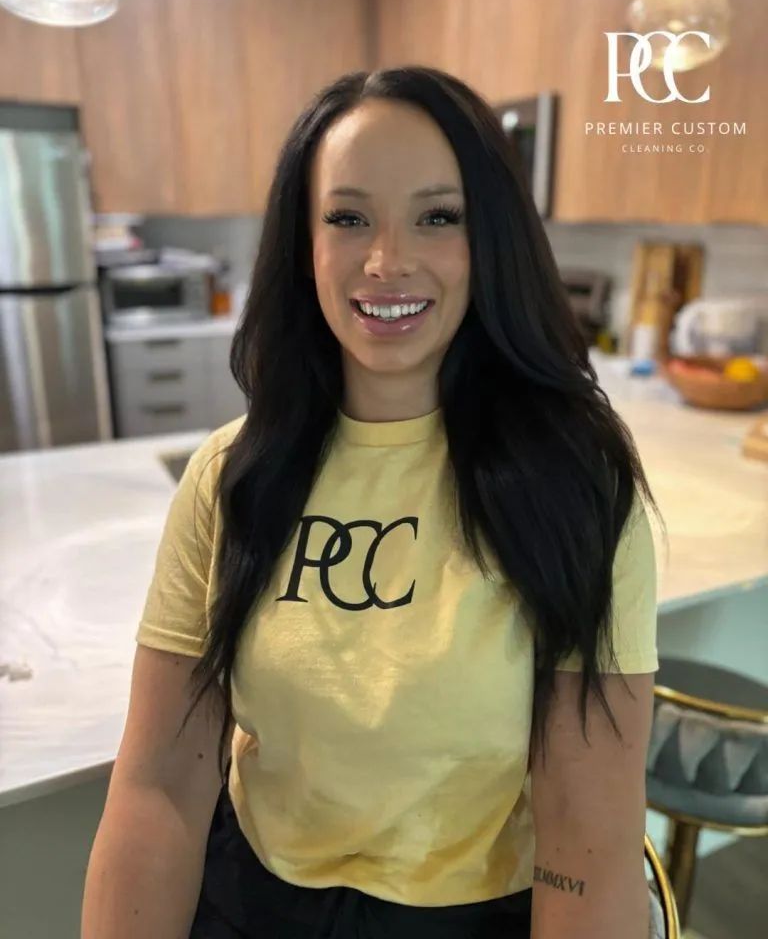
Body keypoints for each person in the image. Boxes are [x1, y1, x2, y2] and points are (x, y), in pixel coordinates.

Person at [81, 66, 663, 939]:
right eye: (348, 218)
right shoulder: (233, 475)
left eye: (438, 216)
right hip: (251, 906)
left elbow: (589, 843)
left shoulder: (575, 486)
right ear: (302, 244)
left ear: (491, 239)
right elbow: (160, 785)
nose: (388, 261)